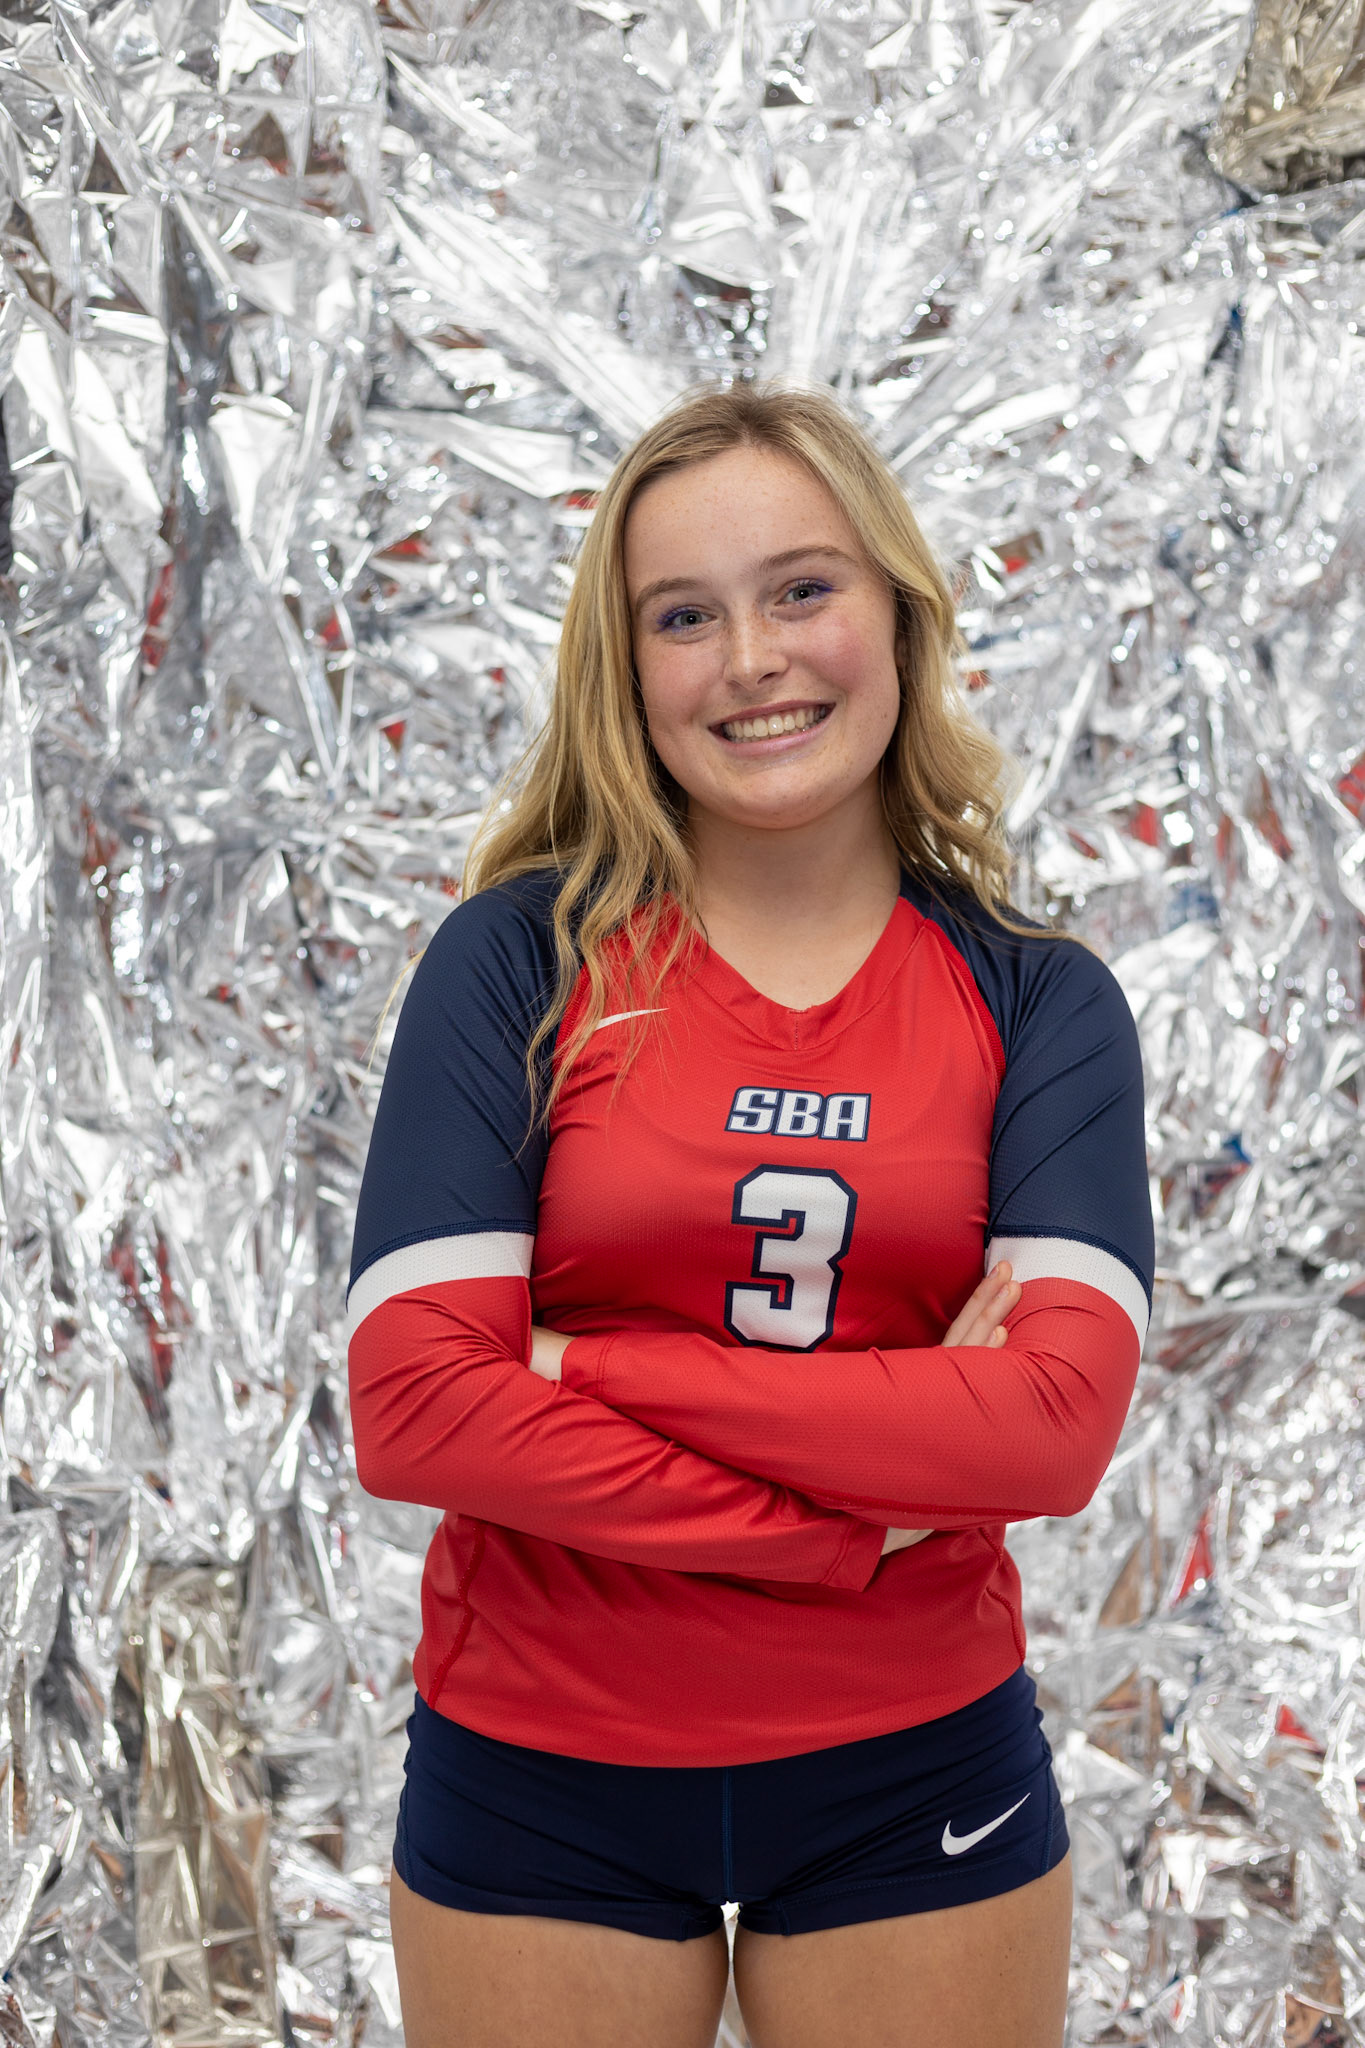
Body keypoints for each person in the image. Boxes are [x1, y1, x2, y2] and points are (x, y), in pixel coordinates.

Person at [346, 382, 1153, 2048]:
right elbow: (416, 1404)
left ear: (897, 614)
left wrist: (578, 1367)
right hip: (539, 1763)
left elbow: (1052, 1427)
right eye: (683, 616)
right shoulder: (515, 963)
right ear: (626, 669)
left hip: (910, 1763)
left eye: (800, 589)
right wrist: (847, 1526)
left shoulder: (1038, 1001)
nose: (752, 659)